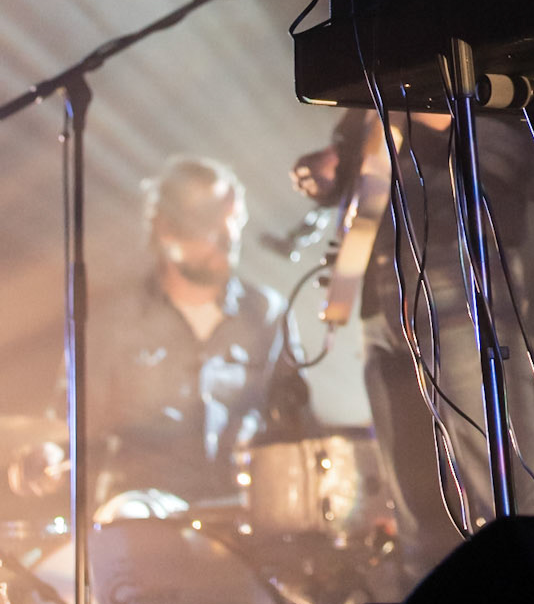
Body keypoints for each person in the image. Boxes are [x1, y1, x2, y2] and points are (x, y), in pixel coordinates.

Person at [293, 0, 534, 583]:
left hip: (456, 280)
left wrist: (424, 101)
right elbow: (374, 160)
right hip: (385, 293)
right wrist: (333, 165)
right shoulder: (377, 18)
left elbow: (501, 143)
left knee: (495, 504)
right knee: (417, 518)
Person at [15, 156, 312, 509]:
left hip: (245, 510)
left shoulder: (267, 312)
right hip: (144, 510)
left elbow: (301, 420)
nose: (227, 234)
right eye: (207, 219)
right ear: (166, 228)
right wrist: (46, 454)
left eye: (232, 219)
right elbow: (71, 423)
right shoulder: (113, 321)